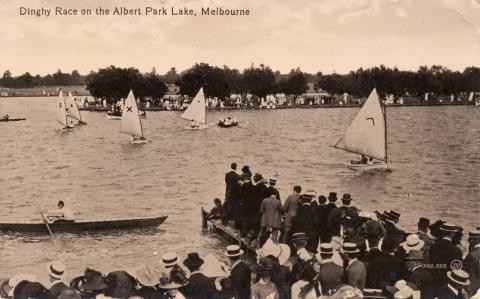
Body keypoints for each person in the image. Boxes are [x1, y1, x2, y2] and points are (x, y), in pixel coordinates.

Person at [463, 230, 480, 296]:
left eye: (470, 239)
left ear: (475, 240)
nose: (468, 241)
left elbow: (467, 271)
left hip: (473, 286)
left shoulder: (472, 255)